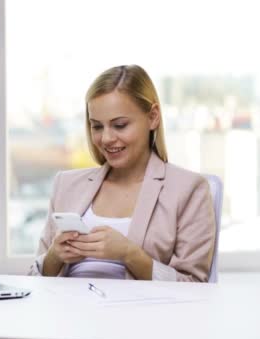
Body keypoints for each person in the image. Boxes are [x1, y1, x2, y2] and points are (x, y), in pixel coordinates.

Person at [28, 65, 215, 281]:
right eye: (97, 127)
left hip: (143, 313)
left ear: (153, 117)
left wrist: (130, 254)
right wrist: (54, 257)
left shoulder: (189, 189)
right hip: (70, 310)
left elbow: (195, 287)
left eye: (119, 125)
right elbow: (33, 282)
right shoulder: (66, 185)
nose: (106, 138)